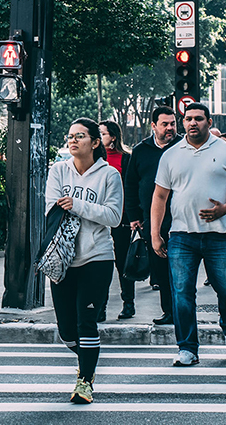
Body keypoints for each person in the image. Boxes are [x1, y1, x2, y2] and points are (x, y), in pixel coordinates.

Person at [151, 103, 226, 366]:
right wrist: (155, 233)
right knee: (182, 293)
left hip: (219, 236)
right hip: (181, 236)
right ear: (183, 121)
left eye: (199, 118)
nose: (193, 123)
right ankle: (187, 348)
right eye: (188, 119)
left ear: (209, 122)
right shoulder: (171, 155)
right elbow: (160, 196)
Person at [45, 118, 124, 403]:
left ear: (95, 142)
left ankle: (85, 380)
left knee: (86, 320)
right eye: (70, 135)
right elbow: (51, 209)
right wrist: (76, 207)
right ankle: (88, 357)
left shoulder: (109, 175)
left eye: (80, 135)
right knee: (67, 330)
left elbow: (114, 216)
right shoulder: (57, 171)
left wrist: (76, 204)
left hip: (97, 256)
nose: (73, 140)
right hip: (62, 258)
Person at [124, 107, 182, 325]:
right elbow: (130, 185)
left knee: (181, 269)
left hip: (181, 218)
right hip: (152, 220)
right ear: (153, 126)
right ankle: (168, 311)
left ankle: (182, 312)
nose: (170, 128)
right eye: (165, 124)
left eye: (173, 123)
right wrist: (134, 216)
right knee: (160, 269)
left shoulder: (183, 147)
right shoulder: (140, 150)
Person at [98, 120, 133, 321]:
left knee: (122, 263)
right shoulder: (94, 160)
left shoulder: (126, 158)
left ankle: (129, 303)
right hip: (99, 219)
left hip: (121, 219)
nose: (99, 137)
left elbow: (130, 189)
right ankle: (100, 307)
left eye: (102, 134)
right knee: (101, 264)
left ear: (113, 136)